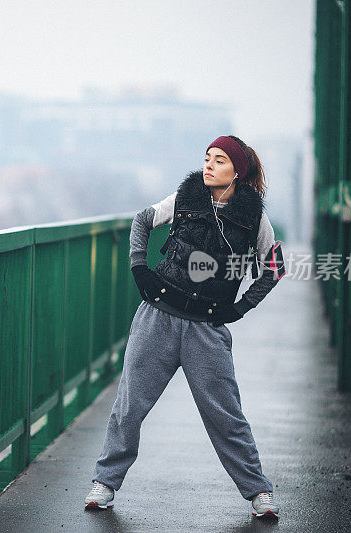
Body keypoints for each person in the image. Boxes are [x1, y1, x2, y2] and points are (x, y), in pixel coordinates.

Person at [84, 135, 286, 519]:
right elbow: (142, 221)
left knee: (226, 416)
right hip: (157, 316)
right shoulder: (185, 197)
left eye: (220, 160)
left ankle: (259, 493)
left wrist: (241, 307)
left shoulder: (255, 218)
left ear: (237, 172)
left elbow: (275, 267)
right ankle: (104, 484)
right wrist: (138, 267)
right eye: (207, 158)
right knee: (129, 407)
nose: (209, 165)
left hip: (207, 329)